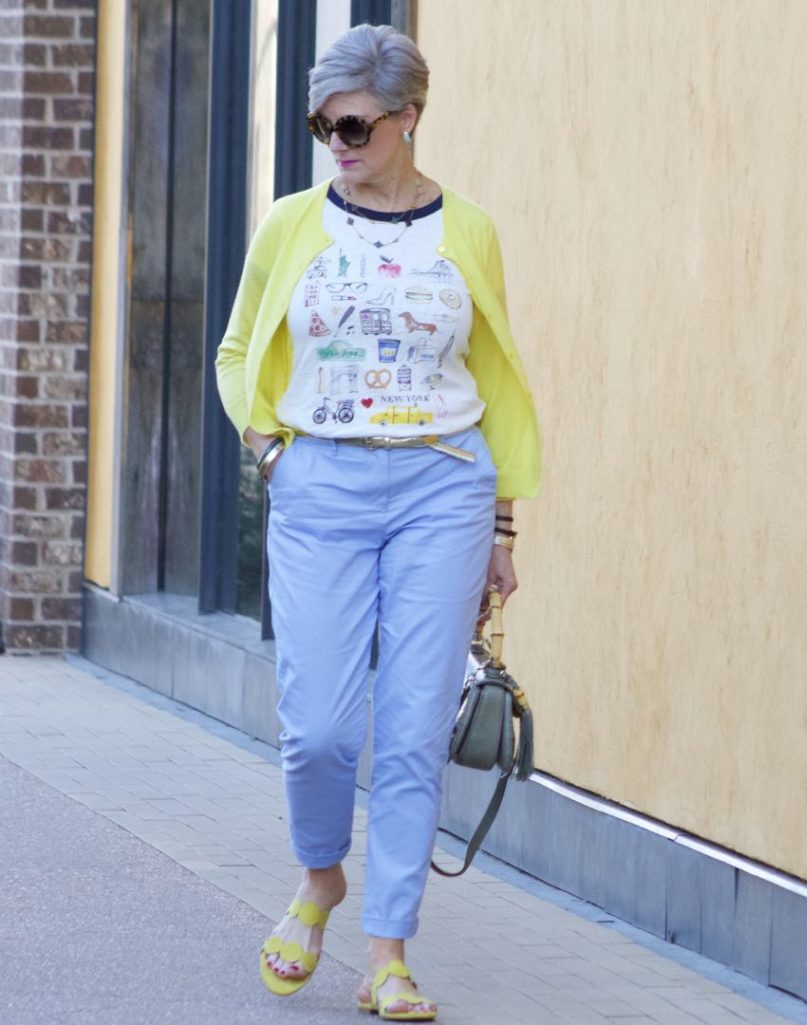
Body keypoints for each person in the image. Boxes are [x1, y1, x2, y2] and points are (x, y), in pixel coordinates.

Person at [214, 22, 541, 1023]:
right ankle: (319, 878)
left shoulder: (469, 231)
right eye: (322, 123)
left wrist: (501, 525)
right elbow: (237, 351)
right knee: (316, 727)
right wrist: (271, 449)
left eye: (353, 121)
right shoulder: (289, 225)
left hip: (444, 486)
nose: (336, 140)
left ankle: (387, 953)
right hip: (322, 486)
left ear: (407, 118)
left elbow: (489, 374)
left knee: (407, 731)